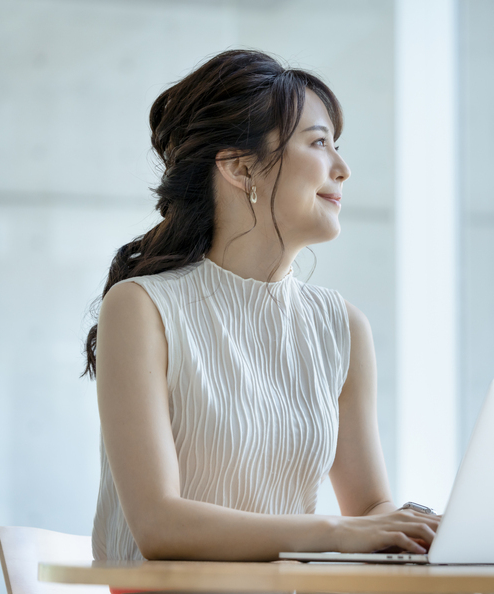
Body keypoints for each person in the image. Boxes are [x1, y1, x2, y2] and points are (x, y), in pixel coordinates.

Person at [84, 49, 438, 562]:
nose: (343, 169)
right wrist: (335, 532)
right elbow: (159, 525)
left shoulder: (342, 327)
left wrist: (433, 526)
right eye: (319, 143)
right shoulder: (142, 308)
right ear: (239, 168)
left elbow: (370, 510)